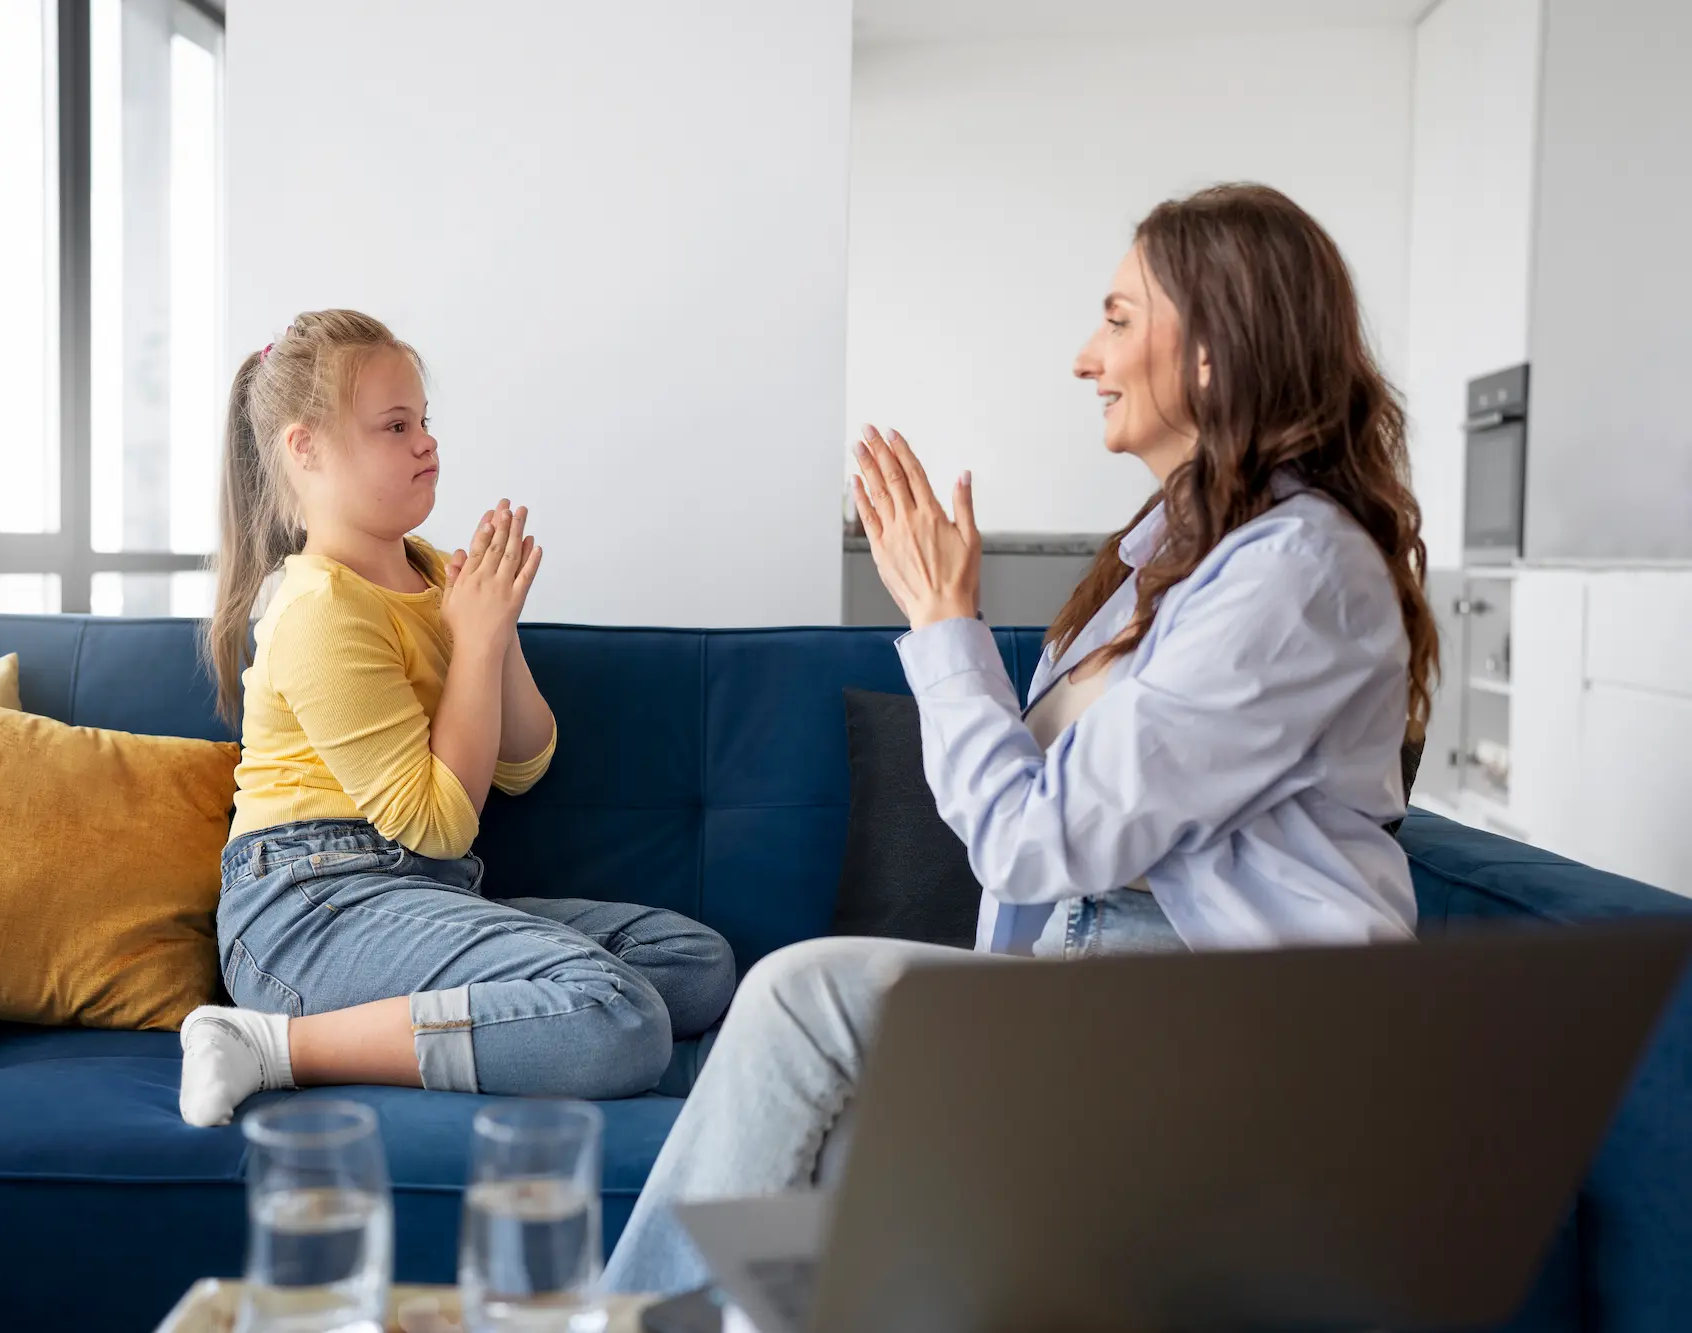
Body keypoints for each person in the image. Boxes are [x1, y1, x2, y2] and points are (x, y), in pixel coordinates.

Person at [601, 183, 1440, 1294]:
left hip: (1224, 1027)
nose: (1087, 357)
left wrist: (945, 622)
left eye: (1117, 316)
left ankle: (620, 1324)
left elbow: (1030, 842)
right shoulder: (1168, 550)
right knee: (860, 1151)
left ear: (1210, 350)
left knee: (800, 996)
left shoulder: (1292, 571)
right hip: (1098, 986)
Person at [177, 310, 735, 1128]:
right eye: (394, 426)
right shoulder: (317, 610)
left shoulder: (436, 571)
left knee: (693, 964)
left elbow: (523, 761)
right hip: (305, 910)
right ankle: (268, 1044)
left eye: (424, 422)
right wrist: (472, 646)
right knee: (624, 1017)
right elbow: (438, 822)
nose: (425, 444)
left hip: (422, 888)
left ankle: (542, 1029)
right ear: (307, 448)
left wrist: (493, 634)